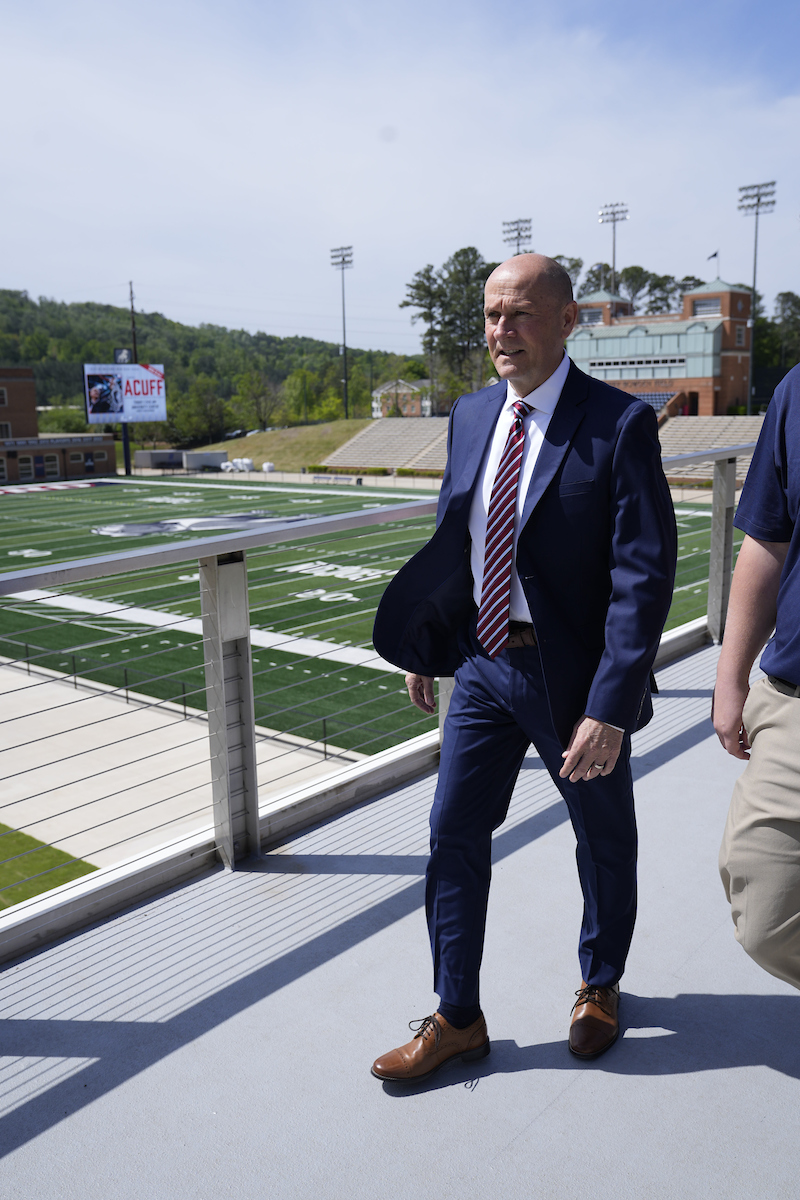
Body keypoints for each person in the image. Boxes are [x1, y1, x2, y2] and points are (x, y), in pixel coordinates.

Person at [370, 254, 677, 1082]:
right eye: (493, 316)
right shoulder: (472, 414)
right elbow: (456, 535)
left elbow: (643, 577)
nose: (503, 332)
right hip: (480, 662)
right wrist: (428, 639)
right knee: (451, 834)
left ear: (568, 320)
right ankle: (456, 1015)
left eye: (522, 315)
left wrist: (609, 708)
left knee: (601, 839)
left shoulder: (618, 425)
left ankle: (599, 983)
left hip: (572, 677)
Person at [715, 363, 800, 991]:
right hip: (795, 695)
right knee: (765, 910)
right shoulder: (797, 389)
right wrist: (731, 674)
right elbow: (768, 539)